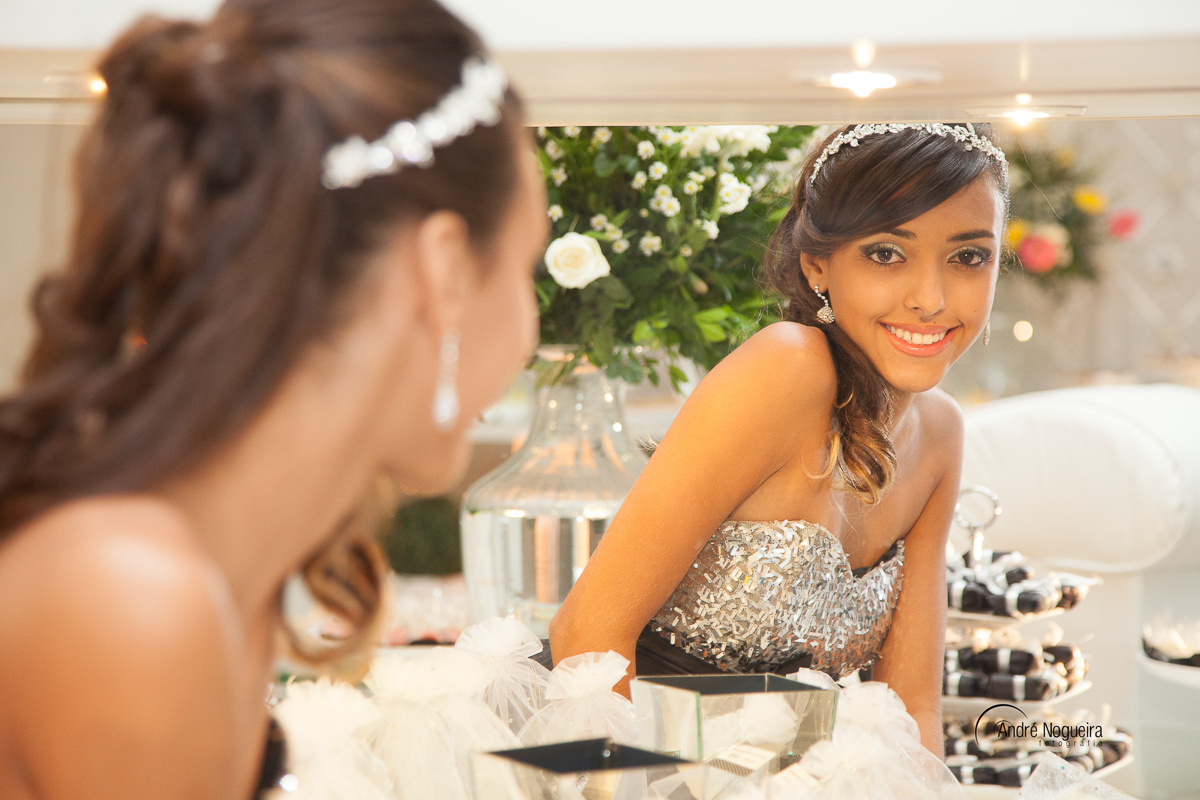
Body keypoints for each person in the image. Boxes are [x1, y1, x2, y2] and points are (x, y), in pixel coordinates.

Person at [0, 0, 547, 797]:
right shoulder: (137, 596)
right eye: (527, 267)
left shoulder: (213, 571)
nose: (529, 333)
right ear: (446, 273)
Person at [551, 122, 1010, 755]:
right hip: (617, 752)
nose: (930, 299)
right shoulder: (788, 367)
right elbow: (588, 630)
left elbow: (915, 710)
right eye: (886, 253)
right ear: (817, 265)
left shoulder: (939, 433)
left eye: (968, 257)